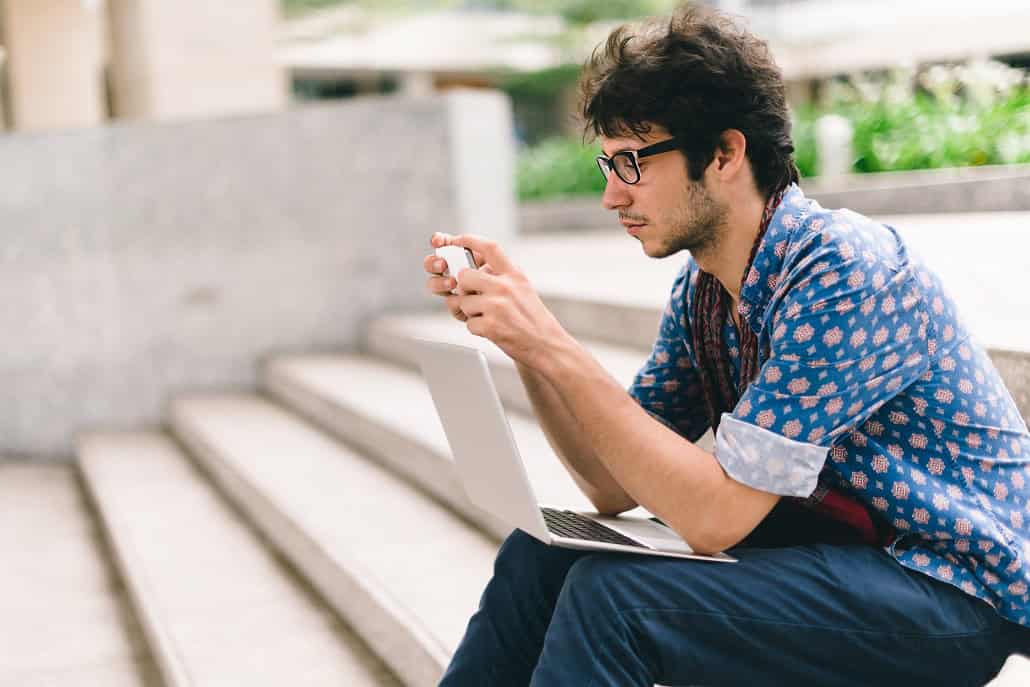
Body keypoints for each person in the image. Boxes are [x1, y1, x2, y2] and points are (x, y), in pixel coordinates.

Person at [422, 5, 1030, 685]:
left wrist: (553, 342)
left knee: (617, 599)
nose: (610, 195)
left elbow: (715, 517)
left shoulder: (844, 274)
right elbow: (610, 482)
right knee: (540, 555)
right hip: (834, 559)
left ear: (725, 153)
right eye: (607, 162)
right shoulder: (706, 290)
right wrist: (527, 343)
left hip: (946, 588)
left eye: (632, 162)